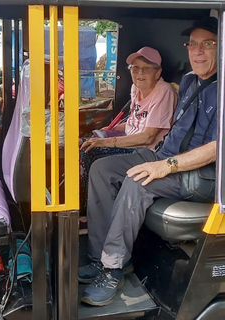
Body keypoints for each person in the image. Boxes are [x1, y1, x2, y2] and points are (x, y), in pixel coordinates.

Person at [79, 16, 218, 306]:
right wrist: (160, 159)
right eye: (193, 45)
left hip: (202, 175)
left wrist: (163, 167)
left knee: (138, 181)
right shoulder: (190, 81)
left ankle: (113, 268)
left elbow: (219, 148)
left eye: (208, 44)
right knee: (102, 169)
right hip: (166, 157)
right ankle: (99, 256)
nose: (198, 52)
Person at [79, 46, 177, 214]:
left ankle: (87, 213)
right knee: (82, 143)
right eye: (135, 68)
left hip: (146, 150)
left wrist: (107, 141)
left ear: (158, 72)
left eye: (146, 69)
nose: (139, 73)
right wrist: (108, 130)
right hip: (130, 141)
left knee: (88, 152)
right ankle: (85, 207)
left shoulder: (164, 91)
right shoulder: (135, 88)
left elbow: (147, 136)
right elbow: (133, 123)